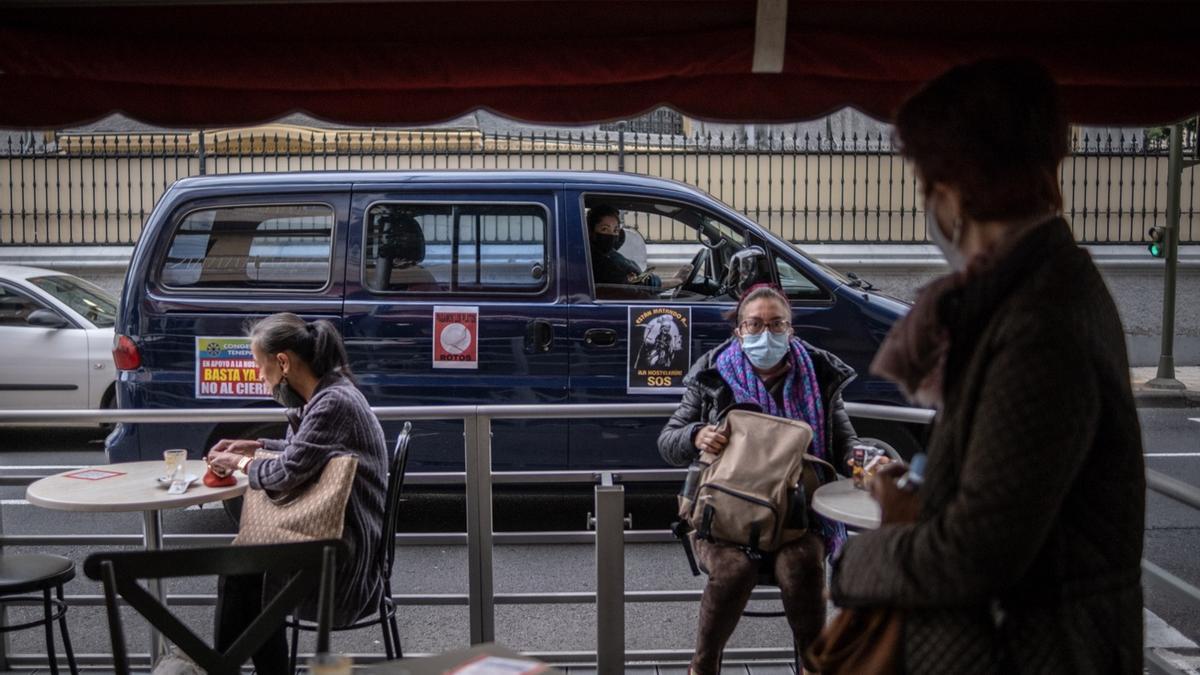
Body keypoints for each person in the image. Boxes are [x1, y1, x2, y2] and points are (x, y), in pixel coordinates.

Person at [828, 59, 1145, 673]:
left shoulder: (1038, 323)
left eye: (923, 181)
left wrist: (859, 561)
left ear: (951, 192)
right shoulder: (1018, 297)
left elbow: (979, 550)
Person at [658, 284, 862, 674]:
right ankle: (703, 666)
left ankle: (812, 666)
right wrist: (696, 434)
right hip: (724, 517)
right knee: (735, 569)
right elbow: (668, 441)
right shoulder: (713, 373)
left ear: (791, 330)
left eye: (776, 324)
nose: (764, 334)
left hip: (798, 516)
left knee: (800, 565)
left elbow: (843, 442)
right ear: (738, 330)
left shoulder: (818, 374)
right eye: (754, 324)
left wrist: (866, 461)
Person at [206, 313, 387, 674]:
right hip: (336, 537)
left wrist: (240, 464)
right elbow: (303, 450)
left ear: (283, 362)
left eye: (261, 366)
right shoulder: (329, 393)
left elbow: (285, 472)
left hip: (342, 556)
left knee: (241, 572)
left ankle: (223, 668)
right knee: (243, 571)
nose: (260, 377)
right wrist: (254, 444)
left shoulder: (332, 404)